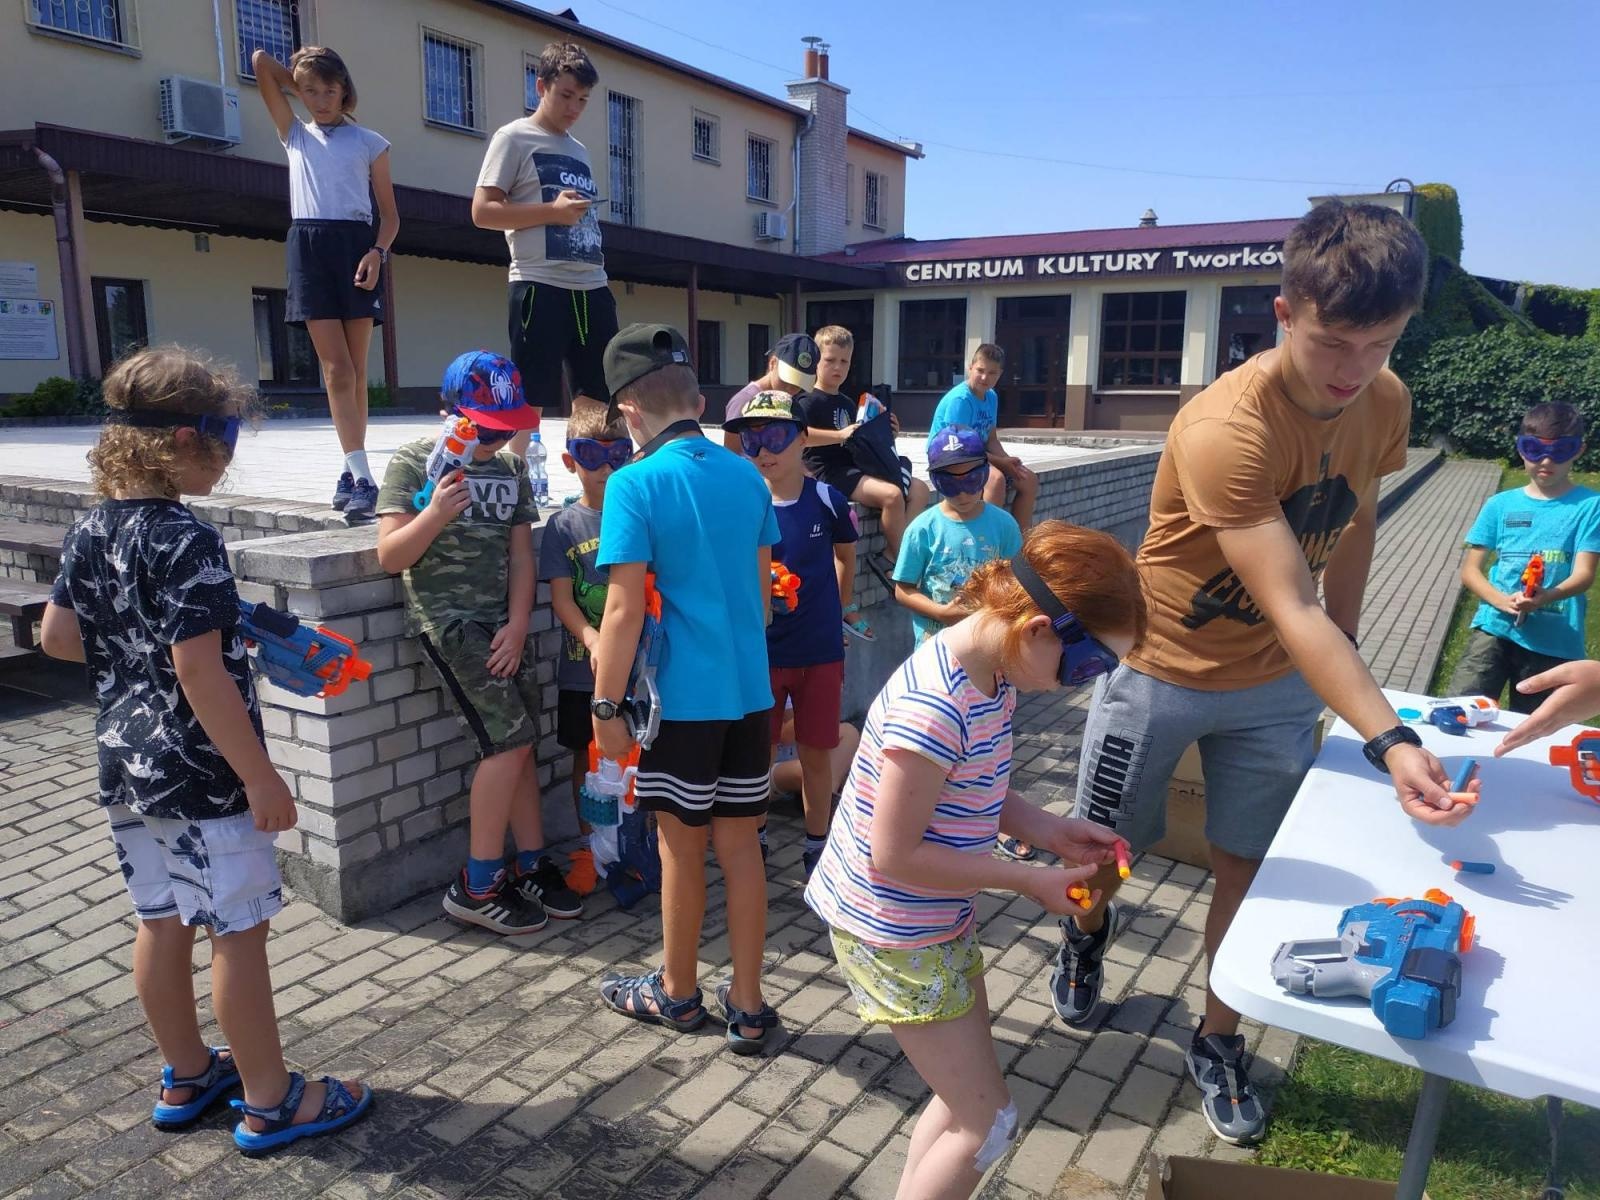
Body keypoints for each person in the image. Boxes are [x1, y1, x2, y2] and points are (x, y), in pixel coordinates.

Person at [1052, 201, 1475, 1148]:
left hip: (1280, 683)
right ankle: (1083, 937)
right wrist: (1388, 733)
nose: (1352, 372)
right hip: (1158, 671)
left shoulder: (1386, 398)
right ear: (1283, 312)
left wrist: (1350, 656)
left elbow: (1359, 515)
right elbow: (1291, 599)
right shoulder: (1223, 429)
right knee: (1099, 852)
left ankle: (1219, 1033)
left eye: (1380, 344)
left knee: (1249, 863)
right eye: (1333, 342)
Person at [40, 347, 370, 1154]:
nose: (227, 460)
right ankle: (270, 1100)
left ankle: (187, 1072)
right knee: (238, 931)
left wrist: (136, 657)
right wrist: (262, 777)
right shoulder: (184, 537)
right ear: (183, 440)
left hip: (126, 763)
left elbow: (56, 638)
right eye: (224, 441)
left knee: (159, 919)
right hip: (201, 770)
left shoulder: (90, 527)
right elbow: (198, 673)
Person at [805, 521, 1138, 1200]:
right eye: (1089, 667)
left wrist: (1049, 829)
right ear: (1040, 628)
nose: (1083, 685)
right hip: (895, 929)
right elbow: (894, 855)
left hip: (929, 918)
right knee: (990, 1125)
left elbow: (976, 781)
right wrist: (1028, 879)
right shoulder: (935, 708)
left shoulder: (991, 669)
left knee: (968, 1110)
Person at [591, 324, 782, 1054]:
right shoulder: (746, 474)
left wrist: (606, 705)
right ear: (696, 399)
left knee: (680, 851)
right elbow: (764, 600)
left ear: (629, 412)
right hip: (751, 696)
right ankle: (751, 1003)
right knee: (743, 849)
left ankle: (676, 996)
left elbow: (622, 607)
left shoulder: (634, 483)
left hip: (683, 704)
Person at [375, 351, 582, 934]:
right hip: (450, 623)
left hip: (501, 626)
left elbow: (521, 555)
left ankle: (533, 862)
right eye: (483, 427)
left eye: (505, 427)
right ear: (450, 413)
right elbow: (391, 556)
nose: (494, 438)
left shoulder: (512, 472)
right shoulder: (417, 461)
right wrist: (435, 511)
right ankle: (478, 883)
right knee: (508, 742)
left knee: (522, 740)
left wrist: (519, 624)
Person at [251, 47, 398, 524]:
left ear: (345, 89)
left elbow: (391, 216)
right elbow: (258, 62)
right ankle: (363, 477)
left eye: (329, 89)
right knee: (335, 370)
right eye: (309, 91)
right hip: (308, 246)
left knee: (355, 369)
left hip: (357, 247)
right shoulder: (293, 133)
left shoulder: (370, 142)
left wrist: (377, 254)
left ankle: (351, 469)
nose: (318, 99)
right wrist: (303, 81)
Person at [727, 389, 859, 878]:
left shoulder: (828, 499)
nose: (764, 450)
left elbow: (846, 557)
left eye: (776, 435)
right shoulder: (740, 504)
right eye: (751, 439)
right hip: (760, 654)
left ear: (803, 439)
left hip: (819, 653)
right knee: (756, 752)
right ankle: (756, 834)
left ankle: (818, 843)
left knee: (816, 751)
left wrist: (836, 612)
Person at [472, 42, 618, 457]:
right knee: (530, 391)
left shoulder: (580, 150)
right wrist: (552, 212)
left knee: (595, 391)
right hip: (539, 283)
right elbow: (482, 211)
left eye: (583, 100)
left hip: (592, 284)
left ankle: (593, 473)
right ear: (541, 86)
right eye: (566, 96)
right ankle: (518, 482)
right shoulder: (513, 137)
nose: (574, 107)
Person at [1447, 402, 1600, 711]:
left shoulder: (1590, 506)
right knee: (1461, 709)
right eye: (1533, 449)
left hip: (1554, 640)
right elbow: (1471, 571)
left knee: (1537, 725)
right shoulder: (1500, 505)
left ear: (1578, 450)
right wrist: (1502, 601)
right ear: (1520, 449)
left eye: (1560, 451)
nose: (1545, 461)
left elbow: (1584, 575)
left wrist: (1544, 597)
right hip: (1494, 627)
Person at [538, 398, 634, 895]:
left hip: (639, 671)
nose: (603, 468)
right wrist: (591, 636)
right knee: (586, 760)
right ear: (569, 460)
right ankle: (589, 846)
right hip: (582, 671)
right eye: (589, 455)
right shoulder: (563, 526)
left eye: (616, 453)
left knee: (638, 758)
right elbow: (561, 598)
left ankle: (634, 842)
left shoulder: (640, 513)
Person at [796, 325, 930, 568]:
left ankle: (896, 551)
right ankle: (903, 565)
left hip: (857, 467)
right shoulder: (806, 401)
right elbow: (801, 436)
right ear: (815, 361)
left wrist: (888, 433)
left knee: (919, 489)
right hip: (829, 472)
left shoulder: (849, 404)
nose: (838, 367)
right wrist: (839, 435)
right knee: (891, 496)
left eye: (844, 361)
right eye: (830, 360)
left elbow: (861, 440)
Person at [927, 345, 1039, 531]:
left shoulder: (991, 397)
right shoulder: (961, 401)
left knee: (1028, 479)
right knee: (995, 480)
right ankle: (988, 547)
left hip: (975, 455)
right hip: (948, 455)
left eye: (992, 373)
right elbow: (957, 450)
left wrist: (1008, 462)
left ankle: (1019, 543)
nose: (985, 377)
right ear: (970, 368)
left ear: (1000, 374)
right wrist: (1001, 465)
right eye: (980, 370)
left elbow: (991, 438)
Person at [720, 332, 818, 453]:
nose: (791, 389)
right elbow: (731, 455)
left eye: (799, 385)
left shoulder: (787, 402)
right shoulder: (745, 400)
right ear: (773, 363)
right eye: (787, 380)